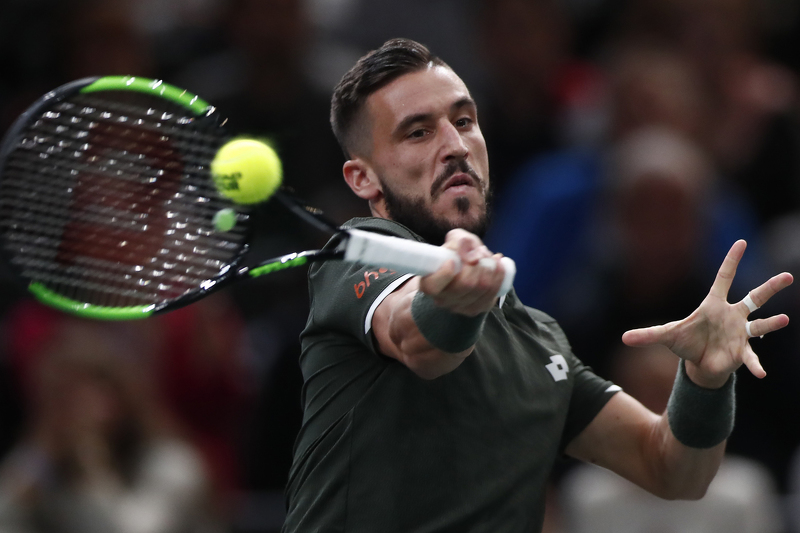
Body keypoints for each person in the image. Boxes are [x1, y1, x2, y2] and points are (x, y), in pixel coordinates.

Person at [281, 38, 793, 532]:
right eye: (418, 132)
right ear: (362, 179)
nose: (456, 146)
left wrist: (705, 381)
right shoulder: (356, 252)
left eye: (463, 121)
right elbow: (419, 340)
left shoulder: (539, 342)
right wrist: (452, 302)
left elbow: (674, 471)